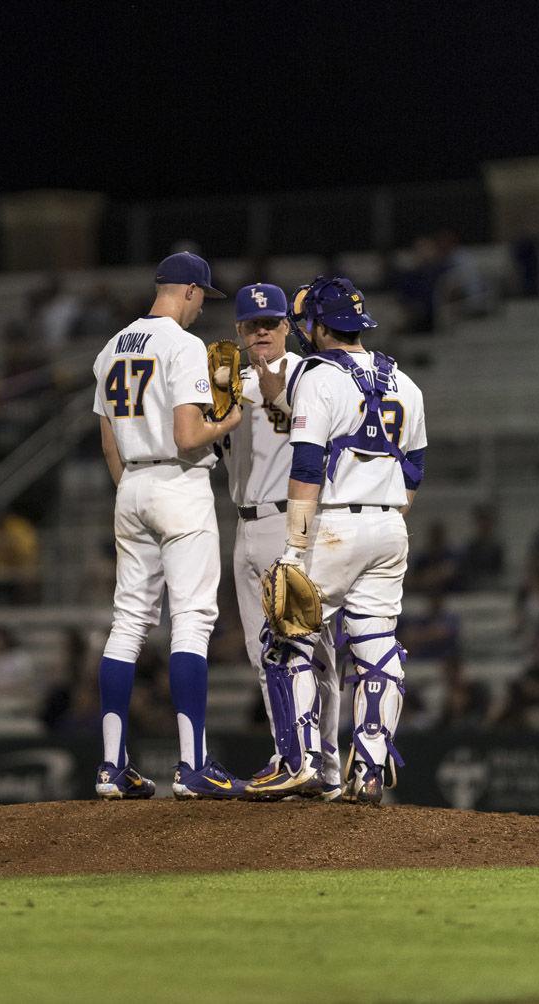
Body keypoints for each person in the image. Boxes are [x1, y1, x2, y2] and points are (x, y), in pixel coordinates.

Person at [245, 276, 427, 804]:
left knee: (285, 639)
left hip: (332, 527)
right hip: (391, 525)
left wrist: (294, 549)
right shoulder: (406, 383)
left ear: (321, 327)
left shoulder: (319, 378)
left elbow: (306, 466)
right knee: (374, 643)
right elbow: (414, 468)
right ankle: (370, 769)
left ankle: (299, 763)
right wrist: (385, 513)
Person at [92, 251, 244, 800]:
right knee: (192, 620)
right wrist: (228, 419)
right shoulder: (183, 347)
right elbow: (186, 436)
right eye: (204, 296)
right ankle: (193, 765)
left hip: (130, 482)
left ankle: (111, 767)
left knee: (128, 623)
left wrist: (132, 495)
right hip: (177, 483)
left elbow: (108, 439)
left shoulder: (111, 348)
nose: (204, 307)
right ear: (188, 290)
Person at [217, 283, 341, 799]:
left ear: (288, 328)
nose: (262, 331)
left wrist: (282, 401)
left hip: (294, 524)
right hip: (244, 525)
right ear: (240, 333)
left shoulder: (311, 376)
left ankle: (321, 759)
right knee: (260, 651)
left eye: (270, 323)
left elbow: (329, 442)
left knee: (309, 650)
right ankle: (291, 754)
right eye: (252, 325)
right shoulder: (226, 385)